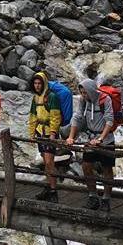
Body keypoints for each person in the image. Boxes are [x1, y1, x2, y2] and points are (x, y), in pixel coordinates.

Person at [66, 78, 115, 211]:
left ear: (91, 90)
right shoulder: (83, 101)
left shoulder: (105, 99)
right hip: (90, 138)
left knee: (107, 168)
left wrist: (101, 139)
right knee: (86, 166)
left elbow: (110, 120)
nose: (83, 95)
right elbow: (77, 116)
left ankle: (106, 199)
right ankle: (93, 196)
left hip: (106, 139)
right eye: (81, 92)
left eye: (85, 92)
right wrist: (71, 137)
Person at [28, 72, 62, 202]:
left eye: (39, 83)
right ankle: (49, 187)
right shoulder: (35, 98)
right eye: (35, 83)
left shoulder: (52, 97)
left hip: (49, 133)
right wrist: (32, 133)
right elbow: (32, 116)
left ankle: (53, 190)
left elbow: (55, 116)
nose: (37, 86)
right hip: (39, 132)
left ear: (44, 83)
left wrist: (53, 133)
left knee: (49, 162)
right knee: (45, 161)